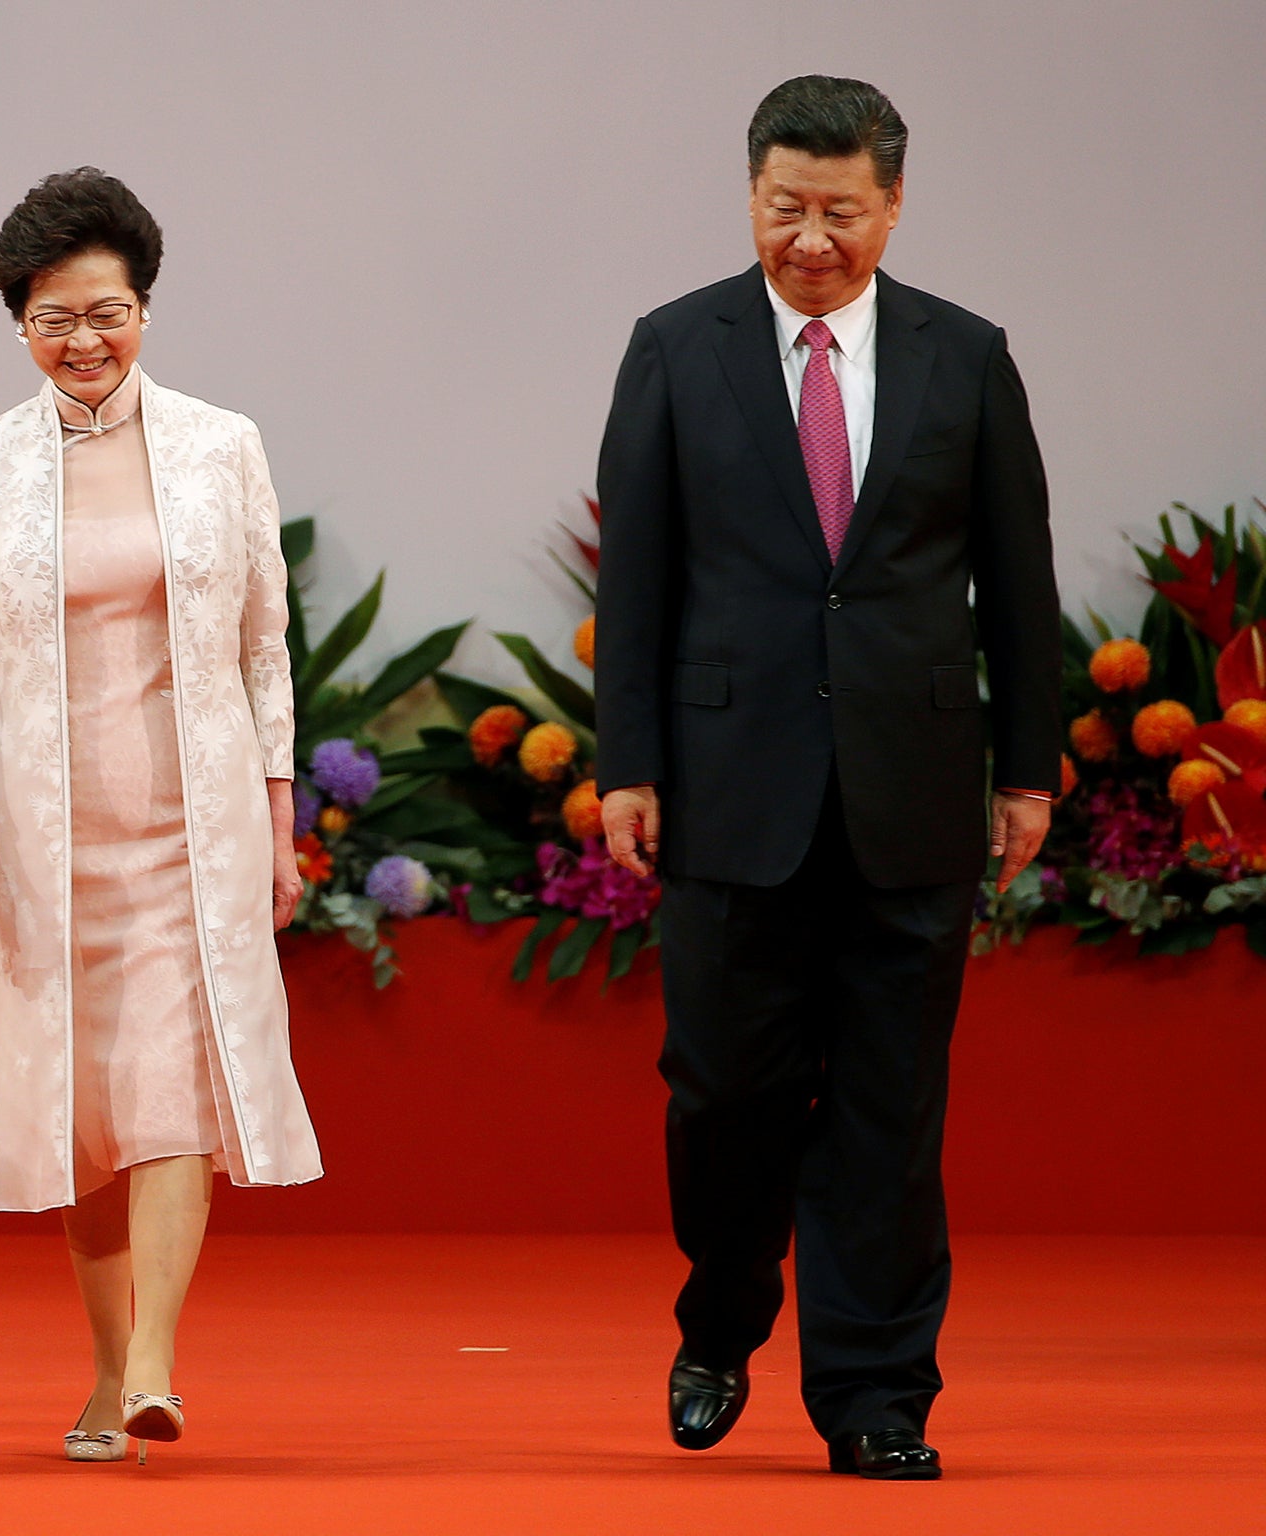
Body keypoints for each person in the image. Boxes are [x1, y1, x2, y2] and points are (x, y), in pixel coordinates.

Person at [594, 77, 1061, 1480]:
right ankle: (724, 1317)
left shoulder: (964, 357)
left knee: (888, 1108)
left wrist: (1028, 768)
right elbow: (641, 579)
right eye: (786, 208)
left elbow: (1018, 582)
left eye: (840, 212)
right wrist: (629, 764)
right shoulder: (675, 350)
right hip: (730, 790)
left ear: (892, 205)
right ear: (752, 196)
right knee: (723, 1094)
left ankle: (875, 1395)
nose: (811, 239)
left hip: (910, 787)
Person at [0, 167, 322, 1466]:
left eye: (109, 312)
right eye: (55, 321)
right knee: (77, 1115)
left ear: (144, 305)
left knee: (168, 1093)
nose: (85, 342)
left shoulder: (224, 445)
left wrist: (276, 806)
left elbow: (267, 649)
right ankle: (105, 1373)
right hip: (44, 848)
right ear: (19, 328)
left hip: (184, 832)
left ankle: (156, 1361)